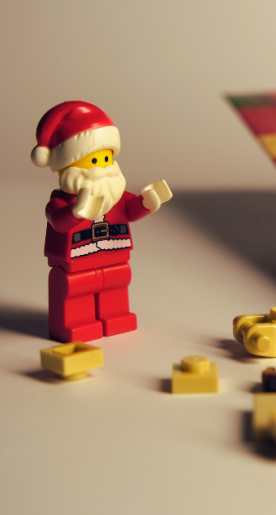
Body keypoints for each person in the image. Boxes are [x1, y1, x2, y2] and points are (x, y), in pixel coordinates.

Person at [31, 101, 172, 342]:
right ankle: (76, 322)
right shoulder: (61, 200)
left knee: (116, 282)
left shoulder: (114, 196)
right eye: (94, 161)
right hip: (76, 260)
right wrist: (75, 212)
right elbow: (57, 221)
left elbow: (130, 209)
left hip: (114, 255)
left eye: (106, 158)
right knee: (76, 287)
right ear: (67, 165)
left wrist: (147, 202)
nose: (103, 168)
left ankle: (115, 315)